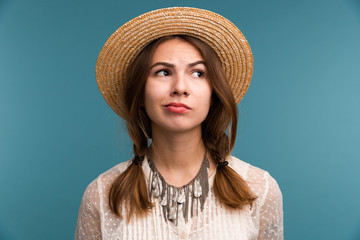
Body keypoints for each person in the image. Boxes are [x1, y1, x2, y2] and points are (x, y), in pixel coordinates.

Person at [75, 7, 283, 240]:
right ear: (140, 93)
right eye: (163, 72)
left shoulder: (259, 189)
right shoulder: (102, 195)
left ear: (214, 94)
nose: (180, 87)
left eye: (197, 73)